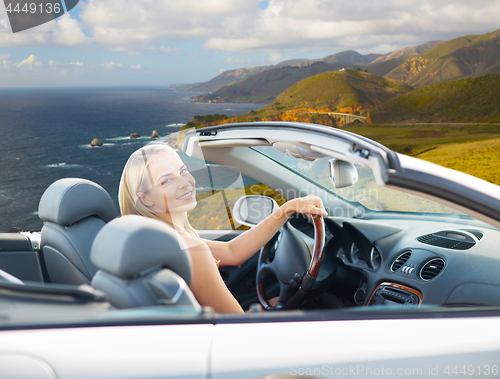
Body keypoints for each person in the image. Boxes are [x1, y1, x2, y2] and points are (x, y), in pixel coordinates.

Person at [119, 144, 328, 314]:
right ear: (145, 198)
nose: (185, 183)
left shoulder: (158, 239)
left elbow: (232, 252)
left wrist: (286, 210)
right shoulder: (190, 250)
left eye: (183, 171)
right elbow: (237, 328)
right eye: (167, 180)